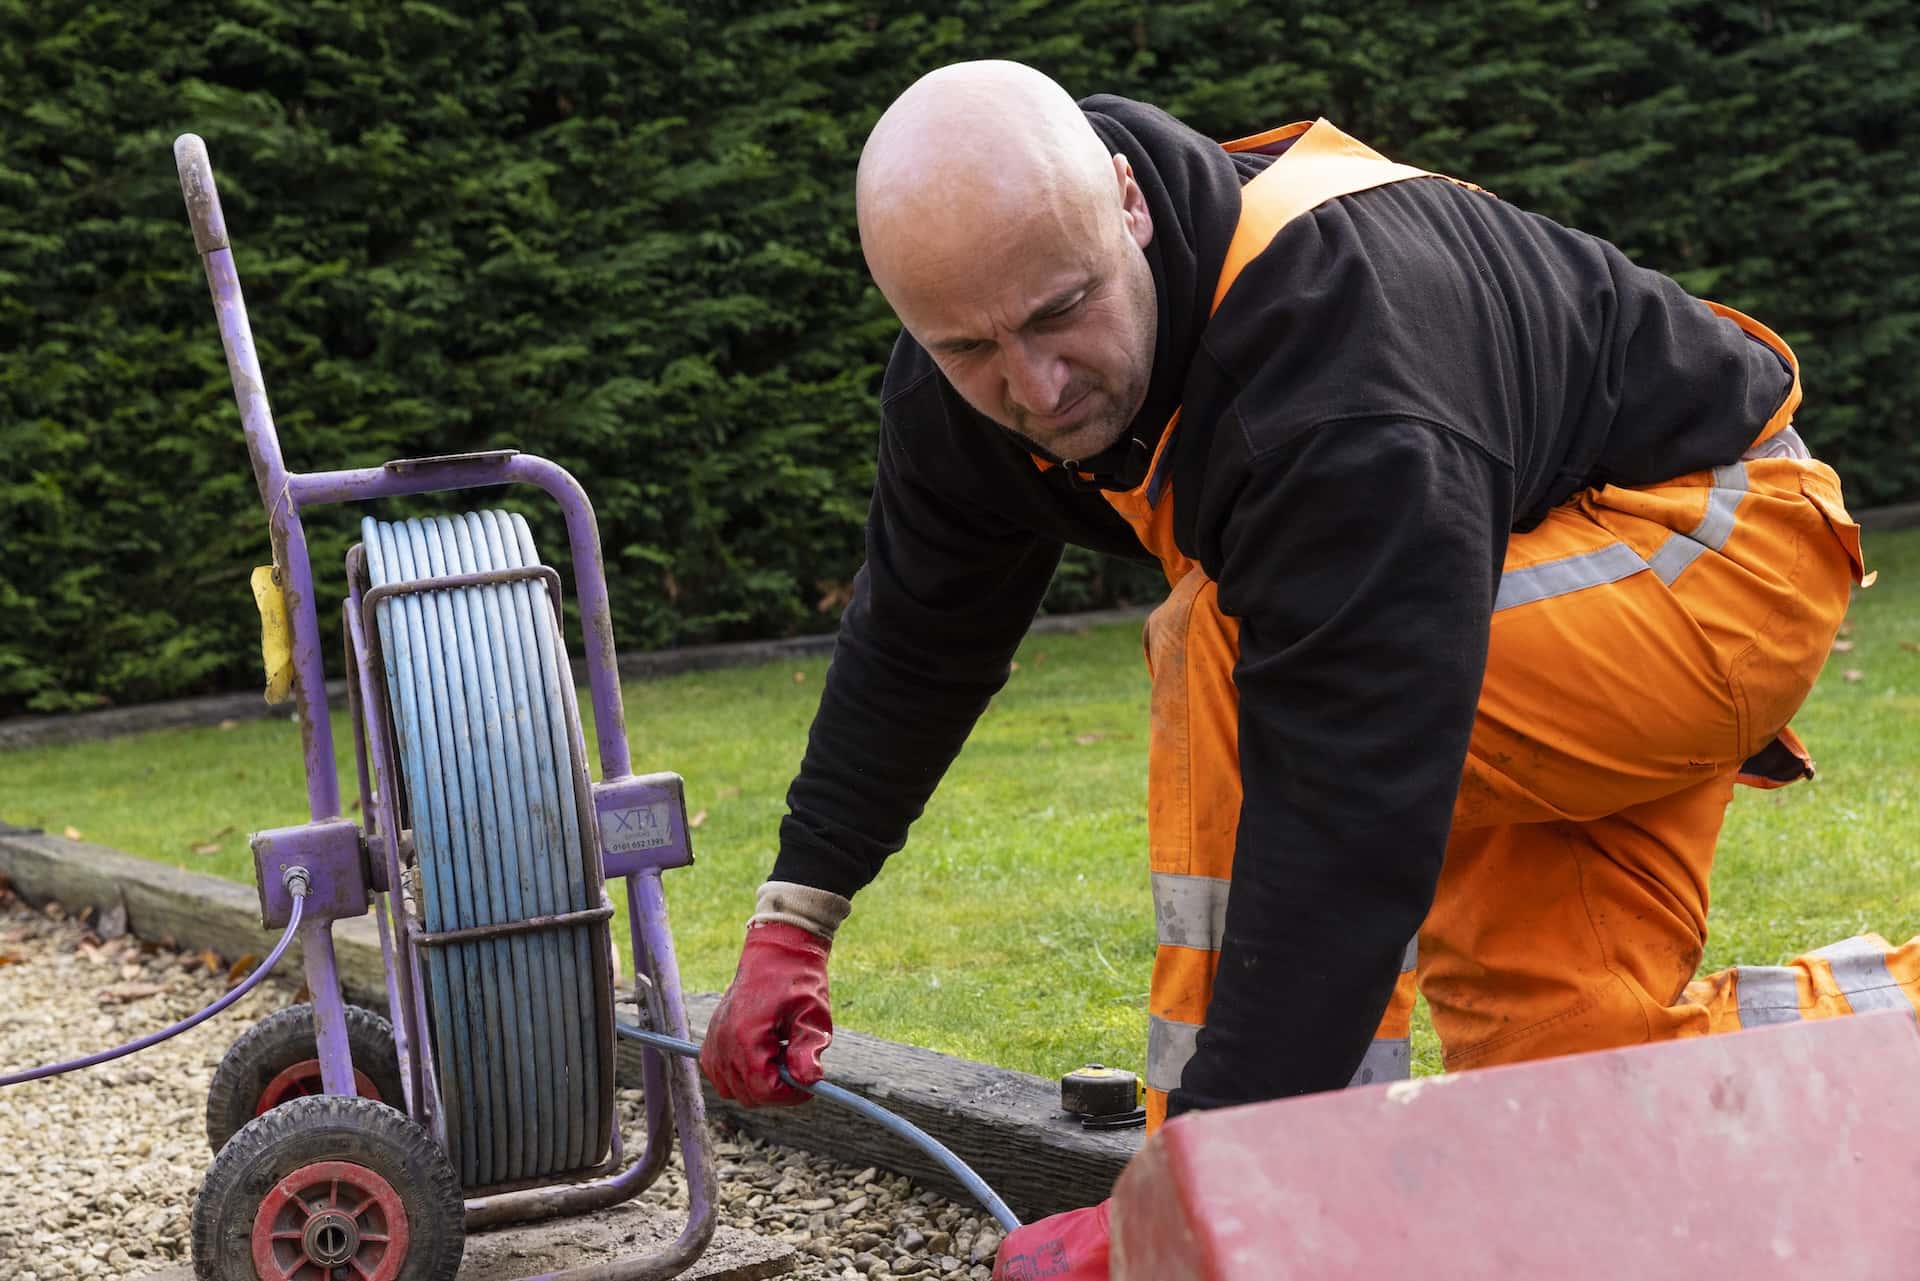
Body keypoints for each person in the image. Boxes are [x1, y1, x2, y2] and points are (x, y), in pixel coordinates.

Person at [696, 59, 1909, 1279]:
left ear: (1128, 205)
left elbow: (1347, 808)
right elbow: (919, 633)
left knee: (1222, 634)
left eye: (1063, 312)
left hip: (1712, 552)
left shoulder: (1332, 382)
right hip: (1504, 573)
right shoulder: (976, 365)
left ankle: (1273, 1215)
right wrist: (794, 918)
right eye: (970, 347)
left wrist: (1190, 1199)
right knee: (1577, 1100)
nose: (1036, 384)